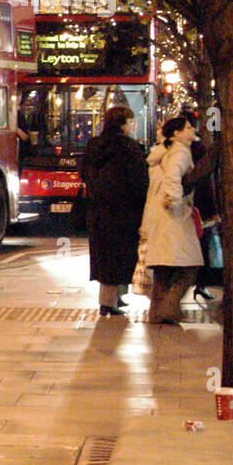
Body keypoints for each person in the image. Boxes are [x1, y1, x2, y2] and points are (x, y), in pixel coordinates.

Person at [80, 106, 149, 315]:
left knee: (105, 256)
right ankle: (109, 303)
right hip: (124, 212)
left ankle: (113, 299)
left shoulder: (94, 145)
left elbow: (84, 172)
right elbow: (140, 182)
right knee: (120, 256)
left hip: (97, 210)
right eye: (131, 122)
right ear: (122, 124)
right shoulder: (129, 147)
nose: (133, 126)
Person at [140, 116, 204, 325]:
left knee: (163, 269)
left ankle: (157, 313)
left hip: (159, 216)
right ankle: (168, 309)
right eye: (187, 127)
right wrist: (175, 200)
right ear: (176, 134)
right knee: (189, 267)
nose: (192, 129)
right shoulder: (180, 152)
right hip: (174, 216)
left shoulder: (162, 153)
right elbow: (173, 178)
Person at [179, 108, 222, 301]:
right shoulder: (198, 150)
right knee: (201, 245)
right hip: (198, 207)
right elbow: (206, 182)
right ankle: (200, 283)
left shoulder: (172, 149)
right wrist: (212, 210)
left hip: (183, 206)